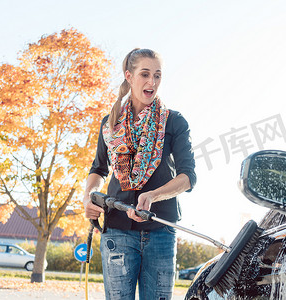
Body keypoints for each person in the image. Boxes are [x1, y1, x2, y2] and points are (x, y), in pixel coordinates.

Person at [83, 48, 196, 300]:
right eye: (145, 74)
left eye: (157, 75)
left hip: (160, 231)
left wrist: (153, 195)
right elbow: (98, 170)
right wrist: (88, 197)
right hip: (117, 230)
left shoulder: (174, 122)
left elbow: (188, 177)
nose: (152, 82)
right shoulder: (109, 124)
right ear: (129, 76)